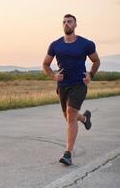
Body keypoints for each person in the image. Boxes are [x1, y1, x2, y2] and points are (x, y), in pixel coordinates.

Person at [43, 14, 100, 165]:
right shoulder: (55, 45)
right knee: (70, 117)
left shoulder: (86, 44)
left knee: (70, 113)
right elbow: (45, 64)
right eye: (64, 22)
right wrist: (53, 75)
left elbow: (96, 61)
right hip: (62, 86)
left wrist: (90, 74)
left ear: (75, 25)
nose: (66, 24)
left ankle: (68, 153)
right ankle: (85, 119)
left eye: (69, 21)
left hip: (79, 84)